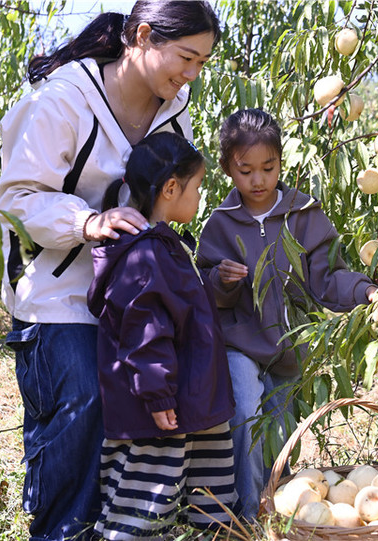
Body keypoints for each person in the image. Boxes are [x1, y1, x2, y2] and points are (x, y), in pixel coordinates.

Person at [0, 2, 220, 539]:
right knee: (84, 406)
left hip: (131, 293)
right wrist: (87, 222)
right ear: (142, 36)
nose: (190, 74)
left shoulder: (172, 107)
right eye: (185, 57)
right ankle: (59, 531)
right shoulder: (62, 100)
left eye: (201, 62)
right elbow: (16, 200)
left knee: (138, 420)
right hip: (60, 294)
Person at [196, 108, 378, 520]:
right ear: (228, 168)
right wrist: (221, 282)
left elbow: (328, 277)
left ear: (282, 161)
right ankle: (248, 516)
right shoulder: (220, 224)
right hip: (240, 343)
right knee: (244, 412)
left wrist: (365, 290)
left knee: (280, 433)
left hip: (290, 347)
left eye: (269, 167)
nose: (258, 180)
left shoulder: (304, 214)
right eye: (246, 171)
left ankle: (275, 510)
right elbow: (205, 291)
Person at [87, 131, 236, 539]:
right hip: (162, 408)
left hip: (195, 400)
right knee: (144, 504)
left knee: (214, 502)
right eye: (198, 187)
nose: (200, 197)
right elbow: (145, 327)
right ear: (171, 188)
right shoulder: (145, 253)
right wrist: (157, 393)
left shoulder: (166, 246)